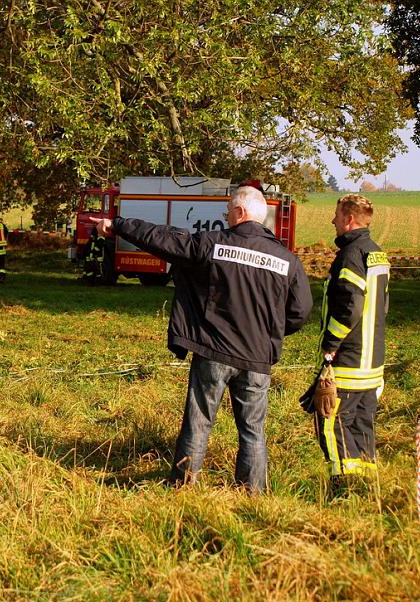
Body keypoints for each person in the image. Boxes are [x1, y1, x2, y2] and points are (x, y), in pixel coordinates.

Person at [91, 186, 312, 493]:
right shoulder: (288, 261)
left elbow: (163, 238)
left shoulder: (214, 245)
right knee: (253, 431)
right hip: (258, 359)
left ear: (240, 213)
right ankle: (252, 494)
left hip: (214, 353)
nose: (226, 218)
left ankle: (183, 486)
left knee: (199, 423)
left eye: (227, 212)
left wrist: (118, 224)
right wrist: (266, 331)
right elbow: (301, 311)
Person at [314, 194, 389, 496]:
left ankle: (343, 489)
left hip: (349, 363)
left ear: (348, 219)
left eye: (336, 215)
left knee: (333, 426)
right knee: (362, 427)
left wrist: (330, 344)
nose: (333, 220)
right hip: (373, 364)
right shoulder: (377, 253)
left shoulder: (350, 255)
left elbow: (350, 307)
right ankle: (368, 488)